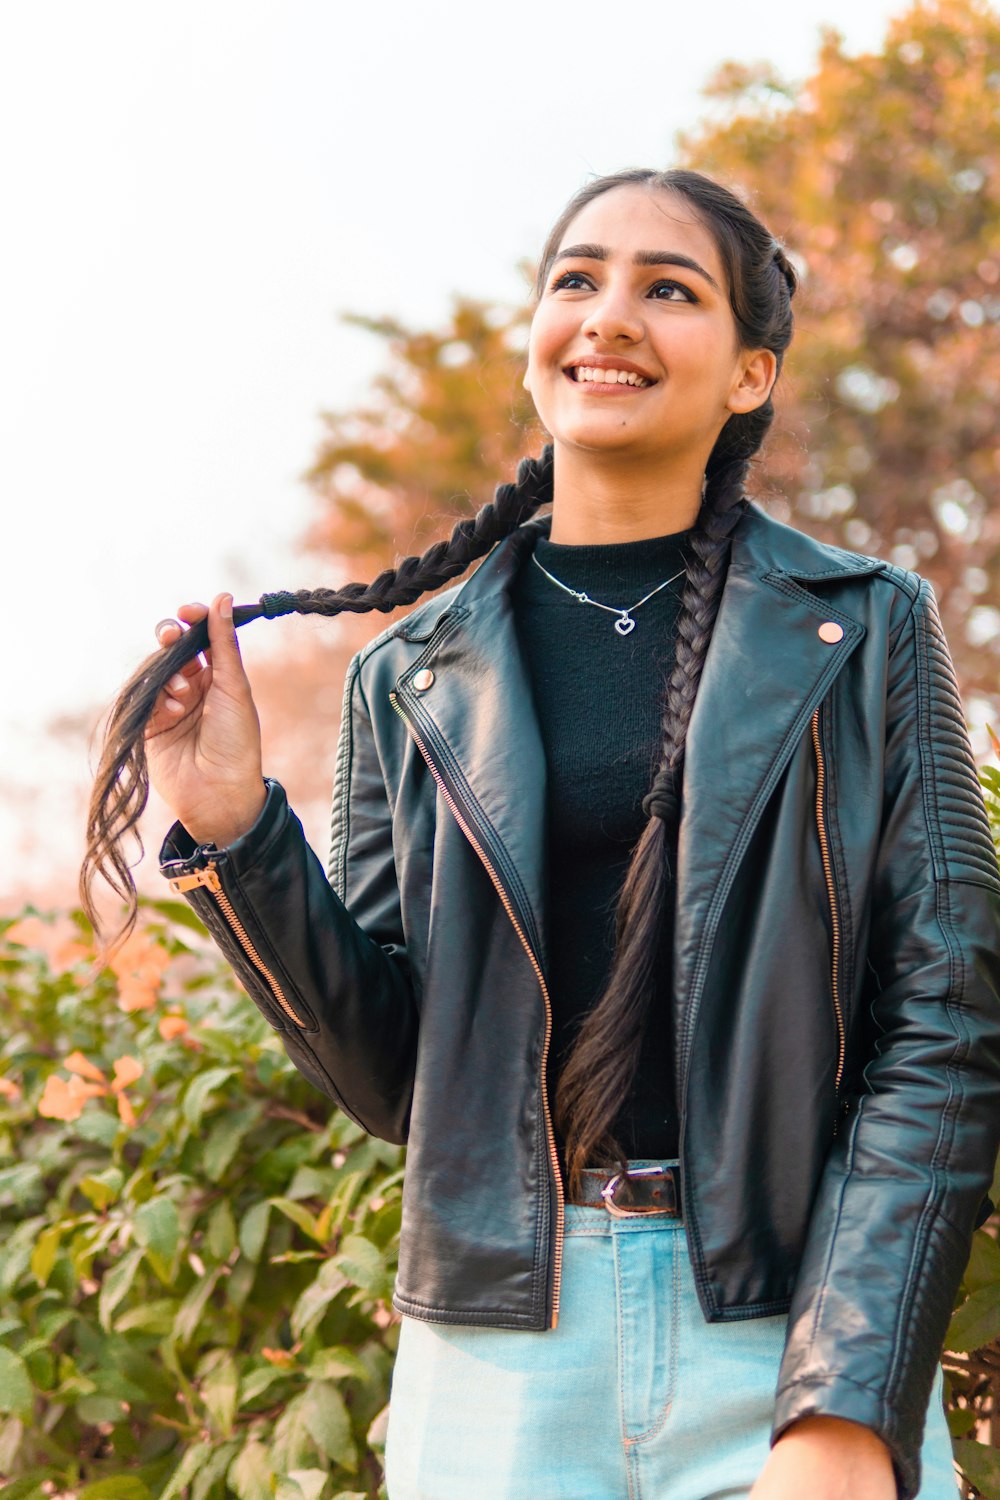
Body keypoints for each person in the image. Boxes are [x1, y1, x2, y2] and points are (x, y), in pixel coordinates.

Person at [80, 168, 1000, 1500]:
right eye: (577, 279)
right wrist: (234, 828)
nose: (608, 314)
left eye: (666, 289)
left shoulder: (865, 627)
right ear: (536, 352)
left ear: (751, 373)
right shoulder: (410, 675)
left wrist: (849, 1403)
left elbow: (948, 1017)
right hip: (497, 1357)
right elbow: (402, 1081)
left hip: (788, 1334)